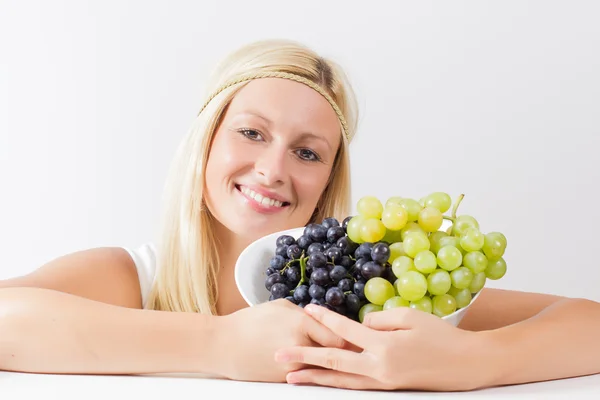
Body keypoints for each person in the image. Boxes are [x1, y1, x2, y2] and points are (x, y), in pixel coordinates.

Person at [0, 38, 598, 392]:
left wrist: (472, 360)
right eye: (252, 133)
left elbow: (587, 323)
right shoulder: (133, 278)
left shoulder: (370, 293)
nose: (272, 169)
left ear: (328, 180)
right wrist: (217, 346)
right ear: (205, 142)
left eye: (307, 151)